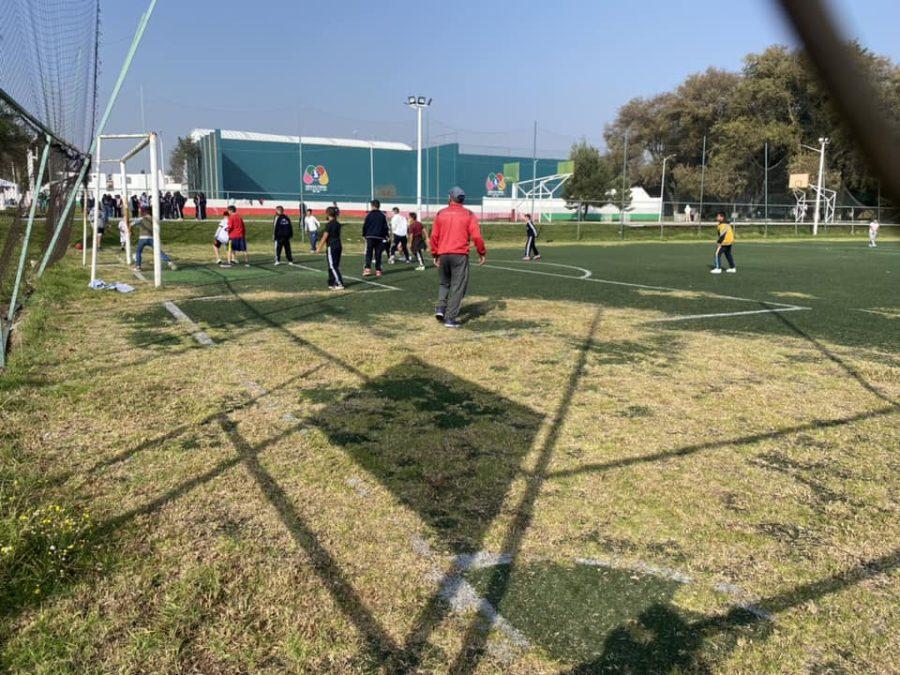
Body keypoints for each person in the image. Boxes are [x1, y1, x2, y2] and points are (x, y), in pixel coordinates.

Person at [430, 187, 486, 328]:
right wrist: (481, 252)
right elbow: (477, 236)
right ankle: (450, 318)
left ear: (450, 198)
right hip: (459, 254)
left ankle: (441, 308)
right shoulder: (469, 214)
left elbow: (434, 236)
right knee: (458, 286)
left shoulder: (440, 213)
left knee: (444, 283)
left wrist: (435, 254)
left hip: (443, 253)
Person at [133, 206, 177, 272]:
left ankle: (138, 266)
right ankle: (169, 262)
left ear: (143, 212)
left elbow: (132, 224)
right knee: (159, 251)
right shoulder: (154, 218)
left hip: (142, 238)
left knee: (138, 252)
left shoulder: (141, 219)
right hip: (152, 238)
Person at [317, 205, 344, 290]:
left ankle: (339, 283)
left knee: (332, 266)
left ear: (328, 214)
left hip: (331, 246)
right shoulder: (338, 224)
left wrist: (319, 247)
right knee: (334, 265)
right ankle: (332, 282)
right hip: (338, 245)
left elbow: (325, 236)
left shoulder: (329, 225)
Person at [362, 199, 389, 277]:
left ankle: (367, 269)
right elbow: (385, 227)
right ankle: (378, 270)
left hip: (370, 236)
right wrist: (386, 236)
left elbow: (365, 225)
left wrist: (364, 235)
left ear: (372, 206)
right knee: (378, 254)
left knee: (369, 253)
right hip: (380, 237)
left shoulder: (369, 215)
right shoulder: (382, 215)